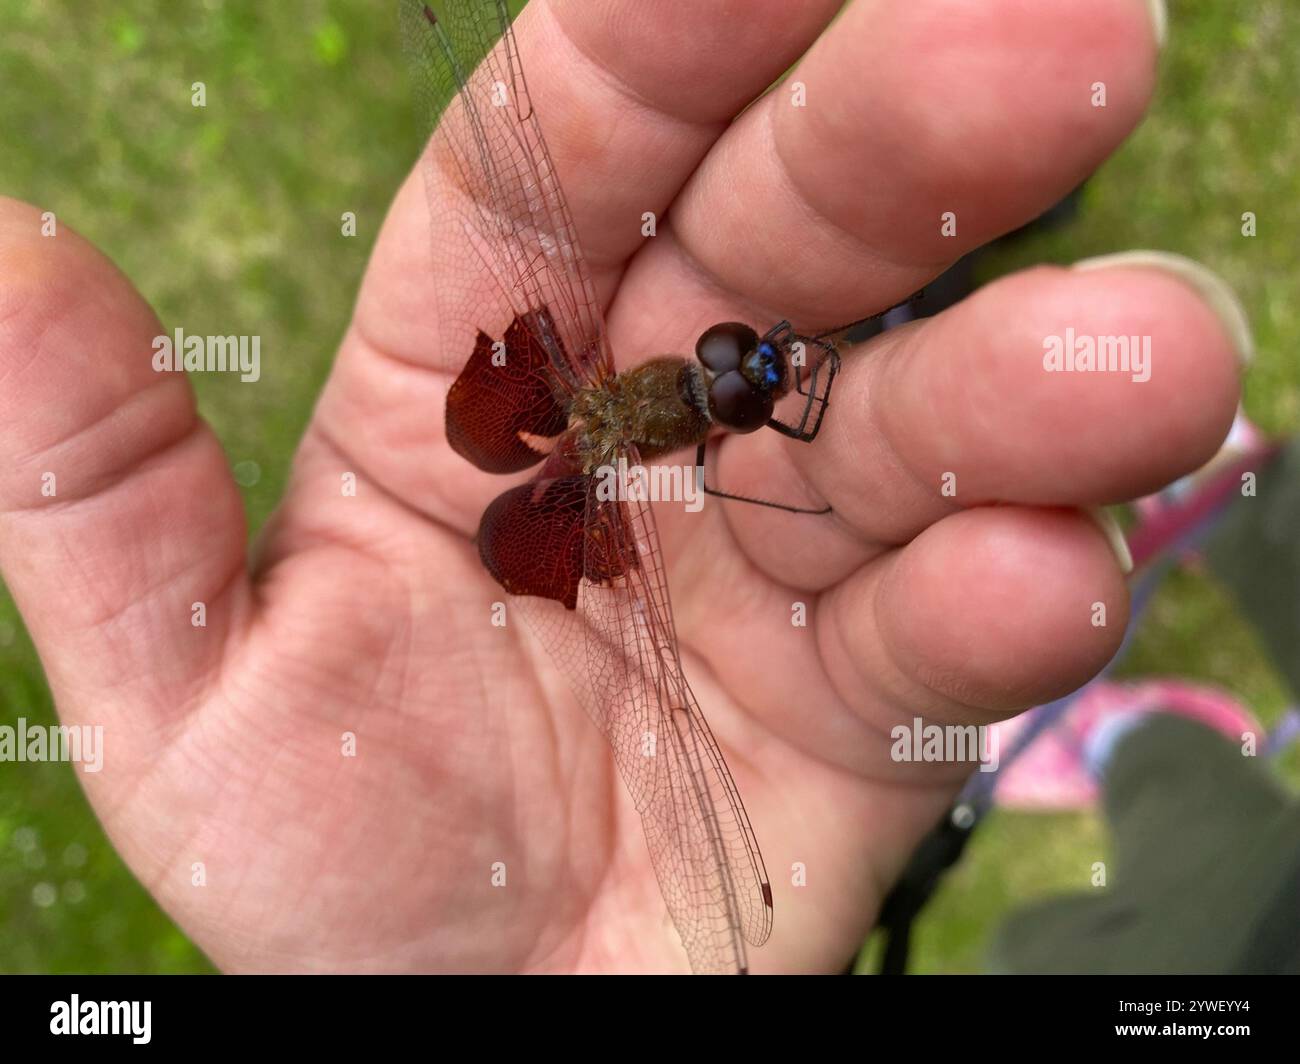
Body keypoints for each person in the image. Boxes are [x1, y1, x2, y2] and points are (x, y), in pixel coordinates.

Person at [0, 0, 1250, 973]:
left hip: (547, 439)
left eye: (738, 371)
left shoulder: (666, 395)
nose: (741, 366)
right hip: (543, 488)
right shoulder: (688, 433)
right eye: (738, 373)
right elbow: (732, 467)